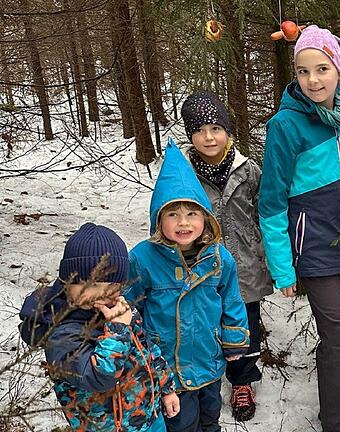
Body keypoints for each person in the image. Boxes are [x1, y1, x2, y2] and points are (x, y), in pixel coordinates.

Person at [258, 25, 340, 432]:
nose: (313, 80)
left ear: (338, 70)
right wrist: (283, 267)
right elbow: (271, 203)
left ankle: (334, 410)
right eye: (304, 71)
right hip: (314, 252)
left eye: (322, 69)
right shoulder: (286, 127)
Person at [126, 140, 250, 432]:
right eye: (173, 214)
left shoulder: (219, 258)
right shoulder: (143, 258)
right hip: (168, 371)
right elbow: (128, 309)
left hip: (208, 362)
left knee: (210, 420)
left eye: (191, 213)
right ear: (159, 218)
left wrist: (234, 337)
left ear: (205, 218)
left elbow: (231, 299)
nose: (183, 223)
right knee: (181, 426)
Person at [19, 223, 179, 431]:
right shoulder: (61, 332)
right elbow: (98, 378)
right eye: (91, 285)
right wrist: (118, 330)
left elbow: (147, 349)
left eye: (111, 287)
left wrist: (166, 389)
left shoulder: (118, 308)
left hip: (147, 418)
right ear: (67, 281)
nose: (100, 295)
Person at [180, 91, 272, 422]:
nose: (209, 137)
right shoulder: (184, 174)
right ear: (191, 134)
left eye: (216, 128)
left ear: (228, 132)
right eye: (200, 130)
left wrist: (269, 256)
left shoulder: (248, 170)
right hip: (201, 266)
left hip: (245, 263)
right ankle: (205, 376)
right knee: (204, 321)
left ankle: (243, 380)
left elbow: (265, 212)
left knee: (244, 324)